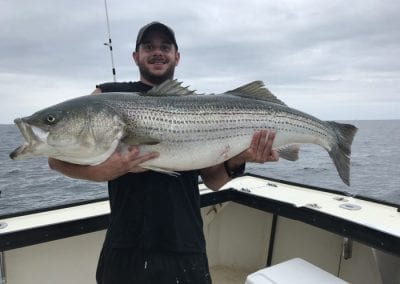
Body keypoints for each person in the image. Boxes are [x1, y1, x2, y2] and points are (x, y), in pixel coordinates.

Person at [48, 21, 279, 284]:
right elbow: (55, 160)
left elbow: (214, 182)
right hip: (125, 245)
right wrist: (101, 172)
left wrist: (238, 159)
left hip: (185, 244)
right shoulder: (106, 96)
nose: (157, 52)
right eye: (148, 46)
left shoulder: (198, 106)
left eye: (165, 46)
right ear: (136, 56)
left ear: (177, 56)